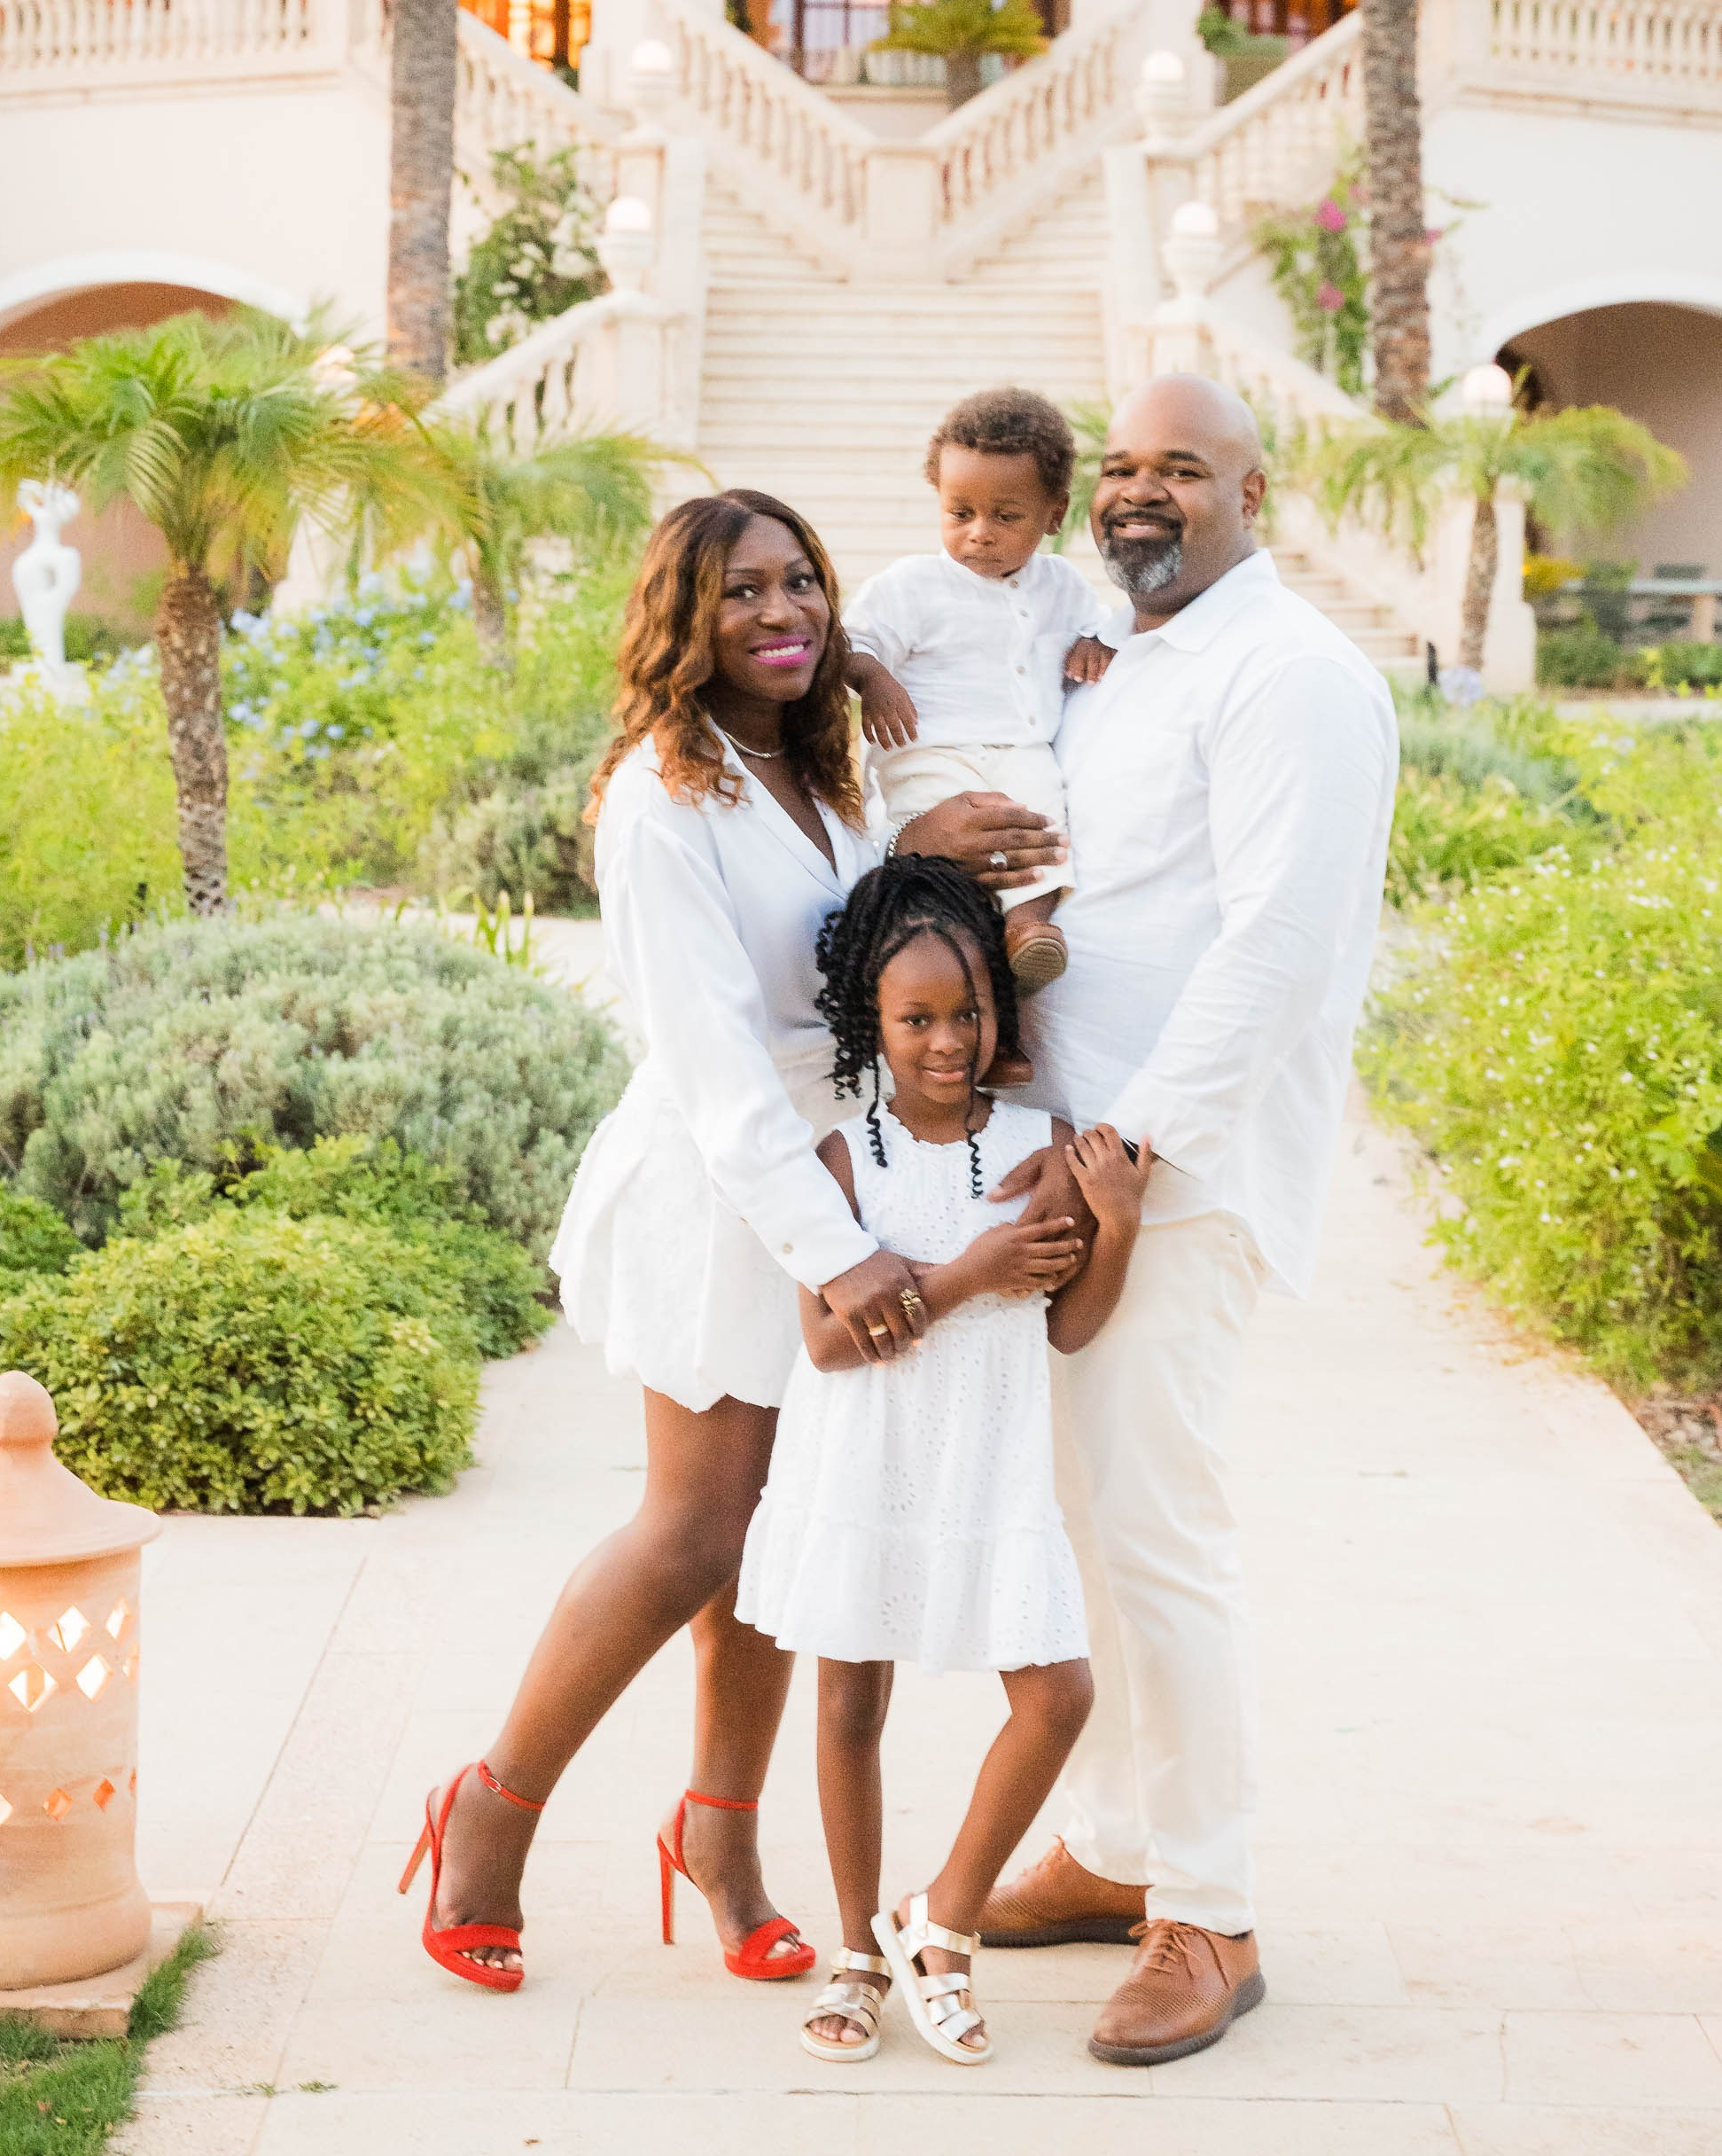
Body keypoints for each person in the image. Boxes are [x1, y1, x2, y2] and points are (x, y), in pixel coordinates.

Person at [401, 490, 1073, 1995]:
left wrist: (923, 852)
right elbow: (712, 1060)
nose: (784, 614)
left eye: (801, 585)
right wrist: (834, 1250)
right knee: (695, 1530)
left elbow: (838, 943)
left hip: (837, 1168)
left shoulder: (817, 769)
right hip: (731, 1192)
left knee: (787, 1538)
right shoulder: (661, 794)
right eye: (744, 594)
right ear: (682, 621)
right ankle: (489, 1813)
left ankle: (720, 1838)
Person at [978, 375, 1399, 2070]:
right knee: (1085, 1522)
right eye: (1126, 468)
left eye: (1183, 470)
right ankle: (1112, 1845)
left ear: (1254, 488)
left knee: (1156, 1533)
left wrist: (1131, 1145)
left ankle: (1207, 1913)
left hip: (1176, 1174)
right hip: (1085, 1166)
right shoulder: (1138, 660)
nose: (1145, 495)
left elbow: (1279, 946)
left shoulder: (1297, 676)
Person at [736, 856, 1146, 2067]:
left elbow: (1069, 1323)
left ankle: (943, 1925)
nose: (948, 1041)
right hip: (867, 1463)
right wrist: (970, 1273)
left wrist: (1110, 1225)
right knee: (853, 1699)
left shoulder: (1044, 1142)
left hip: (991, 1465)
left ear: (997, 1011)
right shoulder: (843, 1161)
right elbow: (825, 1340)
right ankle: (862, 1956)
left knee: (1058, 1694)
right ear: (875, 1018)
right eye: (917, 1019)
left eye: (967, 1013)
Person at [844, 387, 1113, 1043]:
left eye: (1005, 515)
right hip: (929, 752)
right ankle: (963, 1002)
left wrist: (1092, 646)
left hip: (1022, 751)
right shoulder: (912, 586)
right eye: (959, 512)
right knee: (950, 885)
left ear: (1054, 514)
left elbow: (1099, 631)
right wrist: (874, 679)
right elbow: (849, 642)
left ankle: (1028, 932)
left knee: (1042, 830)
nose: (979, 532)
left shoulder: (1063, 585)